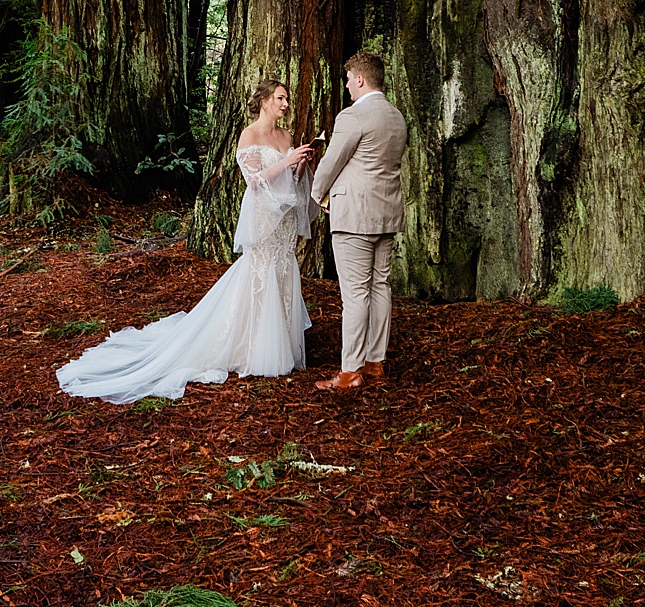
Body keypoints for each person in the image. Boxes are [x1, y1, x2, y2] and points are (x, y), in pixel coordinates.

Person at [54, 80, 315, 404]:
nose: (286, 103)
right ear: (264, 102)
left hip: (285, 219)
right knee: (259, 272)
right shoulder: (249, 135)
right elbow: (255, 183)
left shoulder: (286, 137)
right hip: (264, 217)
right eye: (280, 98)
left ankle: (283, 346)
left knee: (283, 271)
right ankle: (254, 348)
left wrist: (300, 163)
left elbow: (291, 181)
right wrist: (287, 162)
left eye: (287, 98)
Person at [306, 51, 407, 391]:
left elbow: (332, 162)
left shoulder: (353, 117)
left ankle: (350, 371)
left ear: (361, 79)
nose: (347, 85)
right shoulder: (396, 117)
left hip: (354, 217)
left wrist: (318, 195)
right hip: (387, 213)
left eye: (349, 79)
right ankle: (375, 363)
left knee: (355, 294)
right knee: (380, 287)